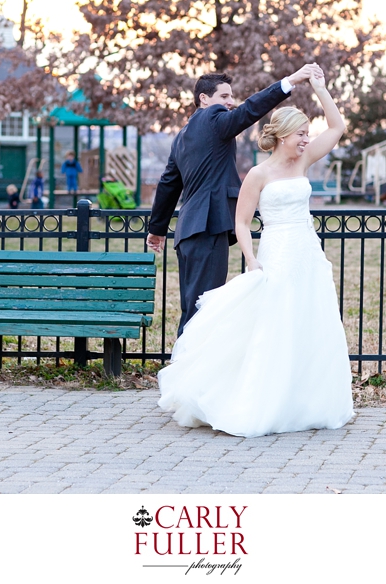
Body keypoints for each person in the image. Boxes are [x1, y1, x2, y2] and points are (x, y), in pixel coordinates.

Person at [157, 66, 354, 438]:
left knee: (311, 321)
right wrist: (250, 258)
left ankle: (306, 399)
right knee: (272, 325)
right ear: (281, 137)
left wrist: (320, 88)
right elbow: (242, 222)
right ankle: (258, 396)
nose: (304, 140)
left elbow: (337, 127)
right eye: (299, 134)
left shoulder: (305, 160)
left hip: (307, 252)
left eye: (305, 135)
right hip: (276, 251)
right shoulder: (257, 174)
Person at [147, 63, 319, 336]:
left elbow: (169, 184)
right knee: (206, 307)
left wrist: (157, 230)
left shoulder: (182, 136)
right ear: (204, 99)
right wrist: (290, 81)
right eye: (224, 96)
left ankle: (185, 366)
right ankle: (189, 371)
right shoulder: (214, 119)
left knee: (193, 305)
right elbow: (248, 111)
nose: (230, 102)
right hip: (208, 225)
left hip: (188, 231)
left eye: (231, 96)